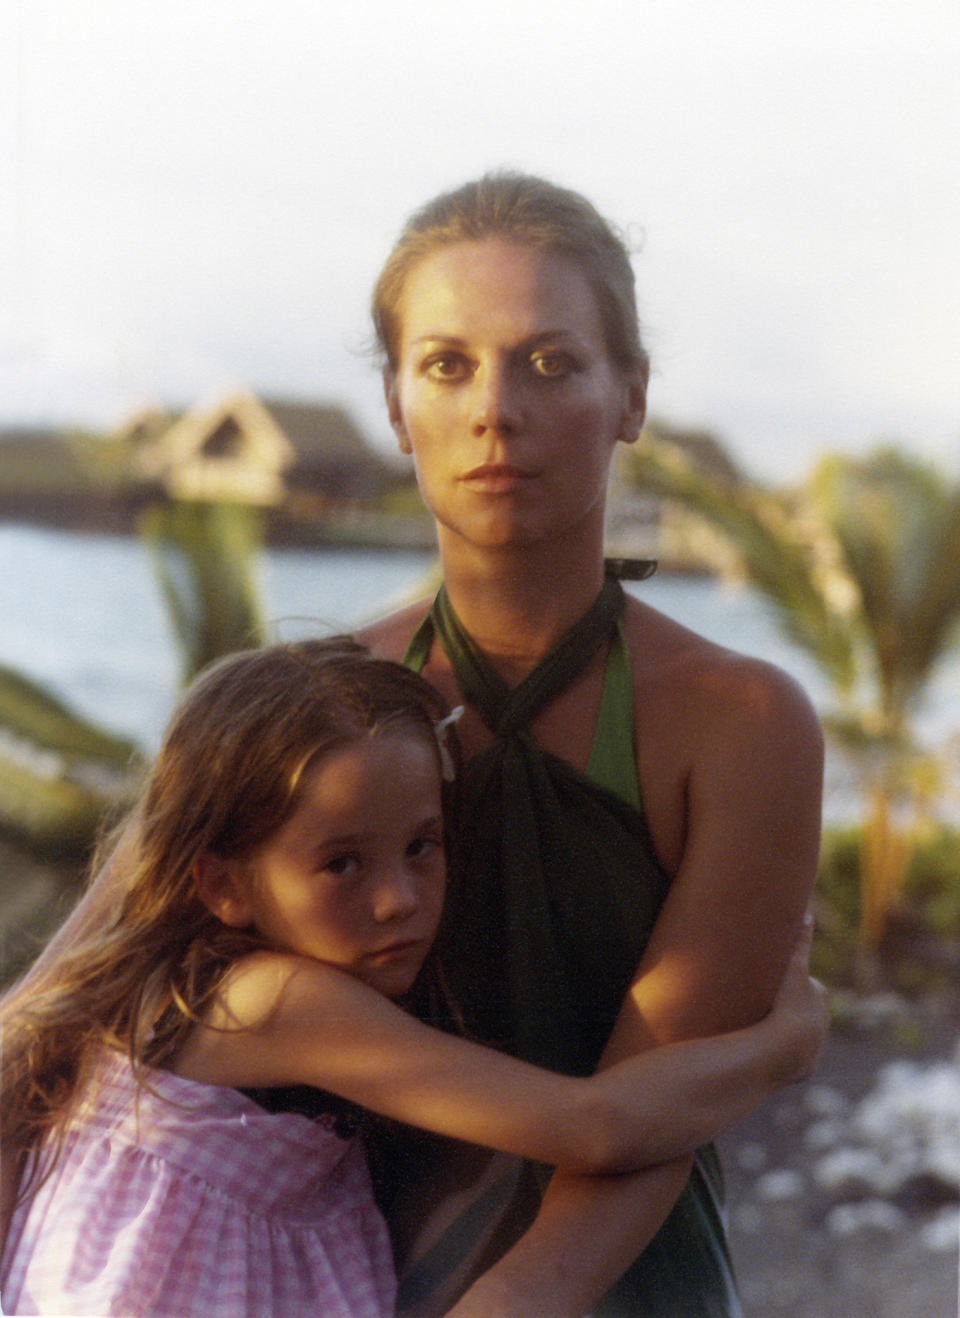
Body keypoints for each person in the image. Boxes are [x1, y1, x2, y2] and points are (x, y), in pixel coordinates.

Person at [0, 639, 825, 1318]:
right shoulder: (279, 1002)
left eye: (422, 846)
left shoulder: (177, 991)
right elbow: (593, 1127)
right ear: (223, 886)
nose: (397, 900)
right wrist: (778, 1048)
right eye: (342, 863)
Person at [353, 171, 827, 1317]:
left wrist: (513, 1300)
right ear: (394, 404)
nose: (495, 410)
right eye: (447, 363)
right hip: (335, 1275)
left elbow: (652, 1105)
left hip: (631, 1286)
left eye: (551, 362)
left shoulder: (742, 720)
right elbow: (103, 996)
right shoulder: (317, 703)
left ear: (632, 396)